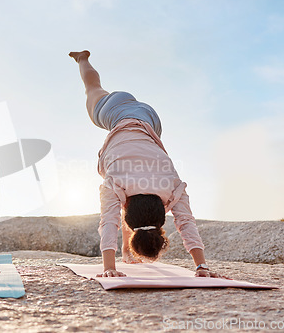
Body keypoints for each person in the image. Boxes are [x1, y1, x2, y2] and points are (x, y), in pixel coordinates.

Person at [69, 50, 227, 278]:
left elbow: (186, 222)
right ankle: (82, 59)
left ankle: (126, 251)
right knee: (92, 88)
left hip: (151, 121)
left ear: (161, 230)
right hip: (116, 113)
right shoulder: (117, 185)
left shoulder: (172, 189)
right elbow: (109, 221)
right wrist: (108, 269)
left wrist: (202, 266)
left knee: (127, 198)